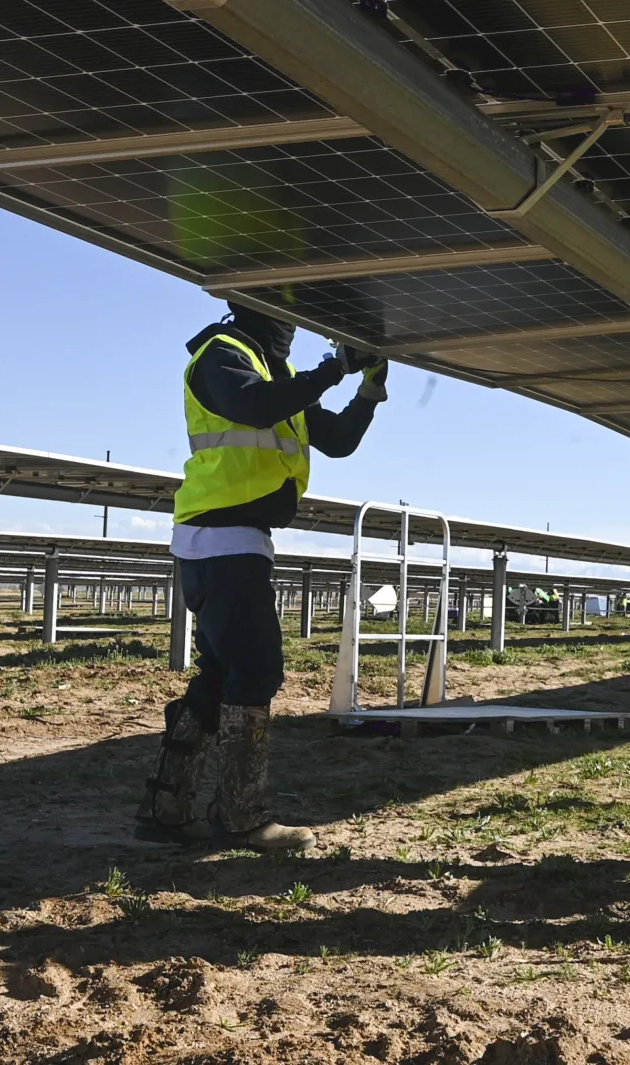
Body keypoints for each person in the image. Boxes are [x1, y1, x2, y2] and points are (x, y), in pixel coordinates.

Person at [135, 302, 388, 852]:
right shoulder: (222, 356)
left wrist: (367, 390)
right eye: (286, 314)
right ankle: (241, 817)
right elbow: (251, 407)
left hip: (234, 542)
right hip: (221, 541)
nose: (291, 328)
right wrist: (332, 369)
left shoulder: (281, 379)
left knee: (223, 676)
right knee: (255, 672)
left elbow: (338, 439)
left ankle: (164, 808)